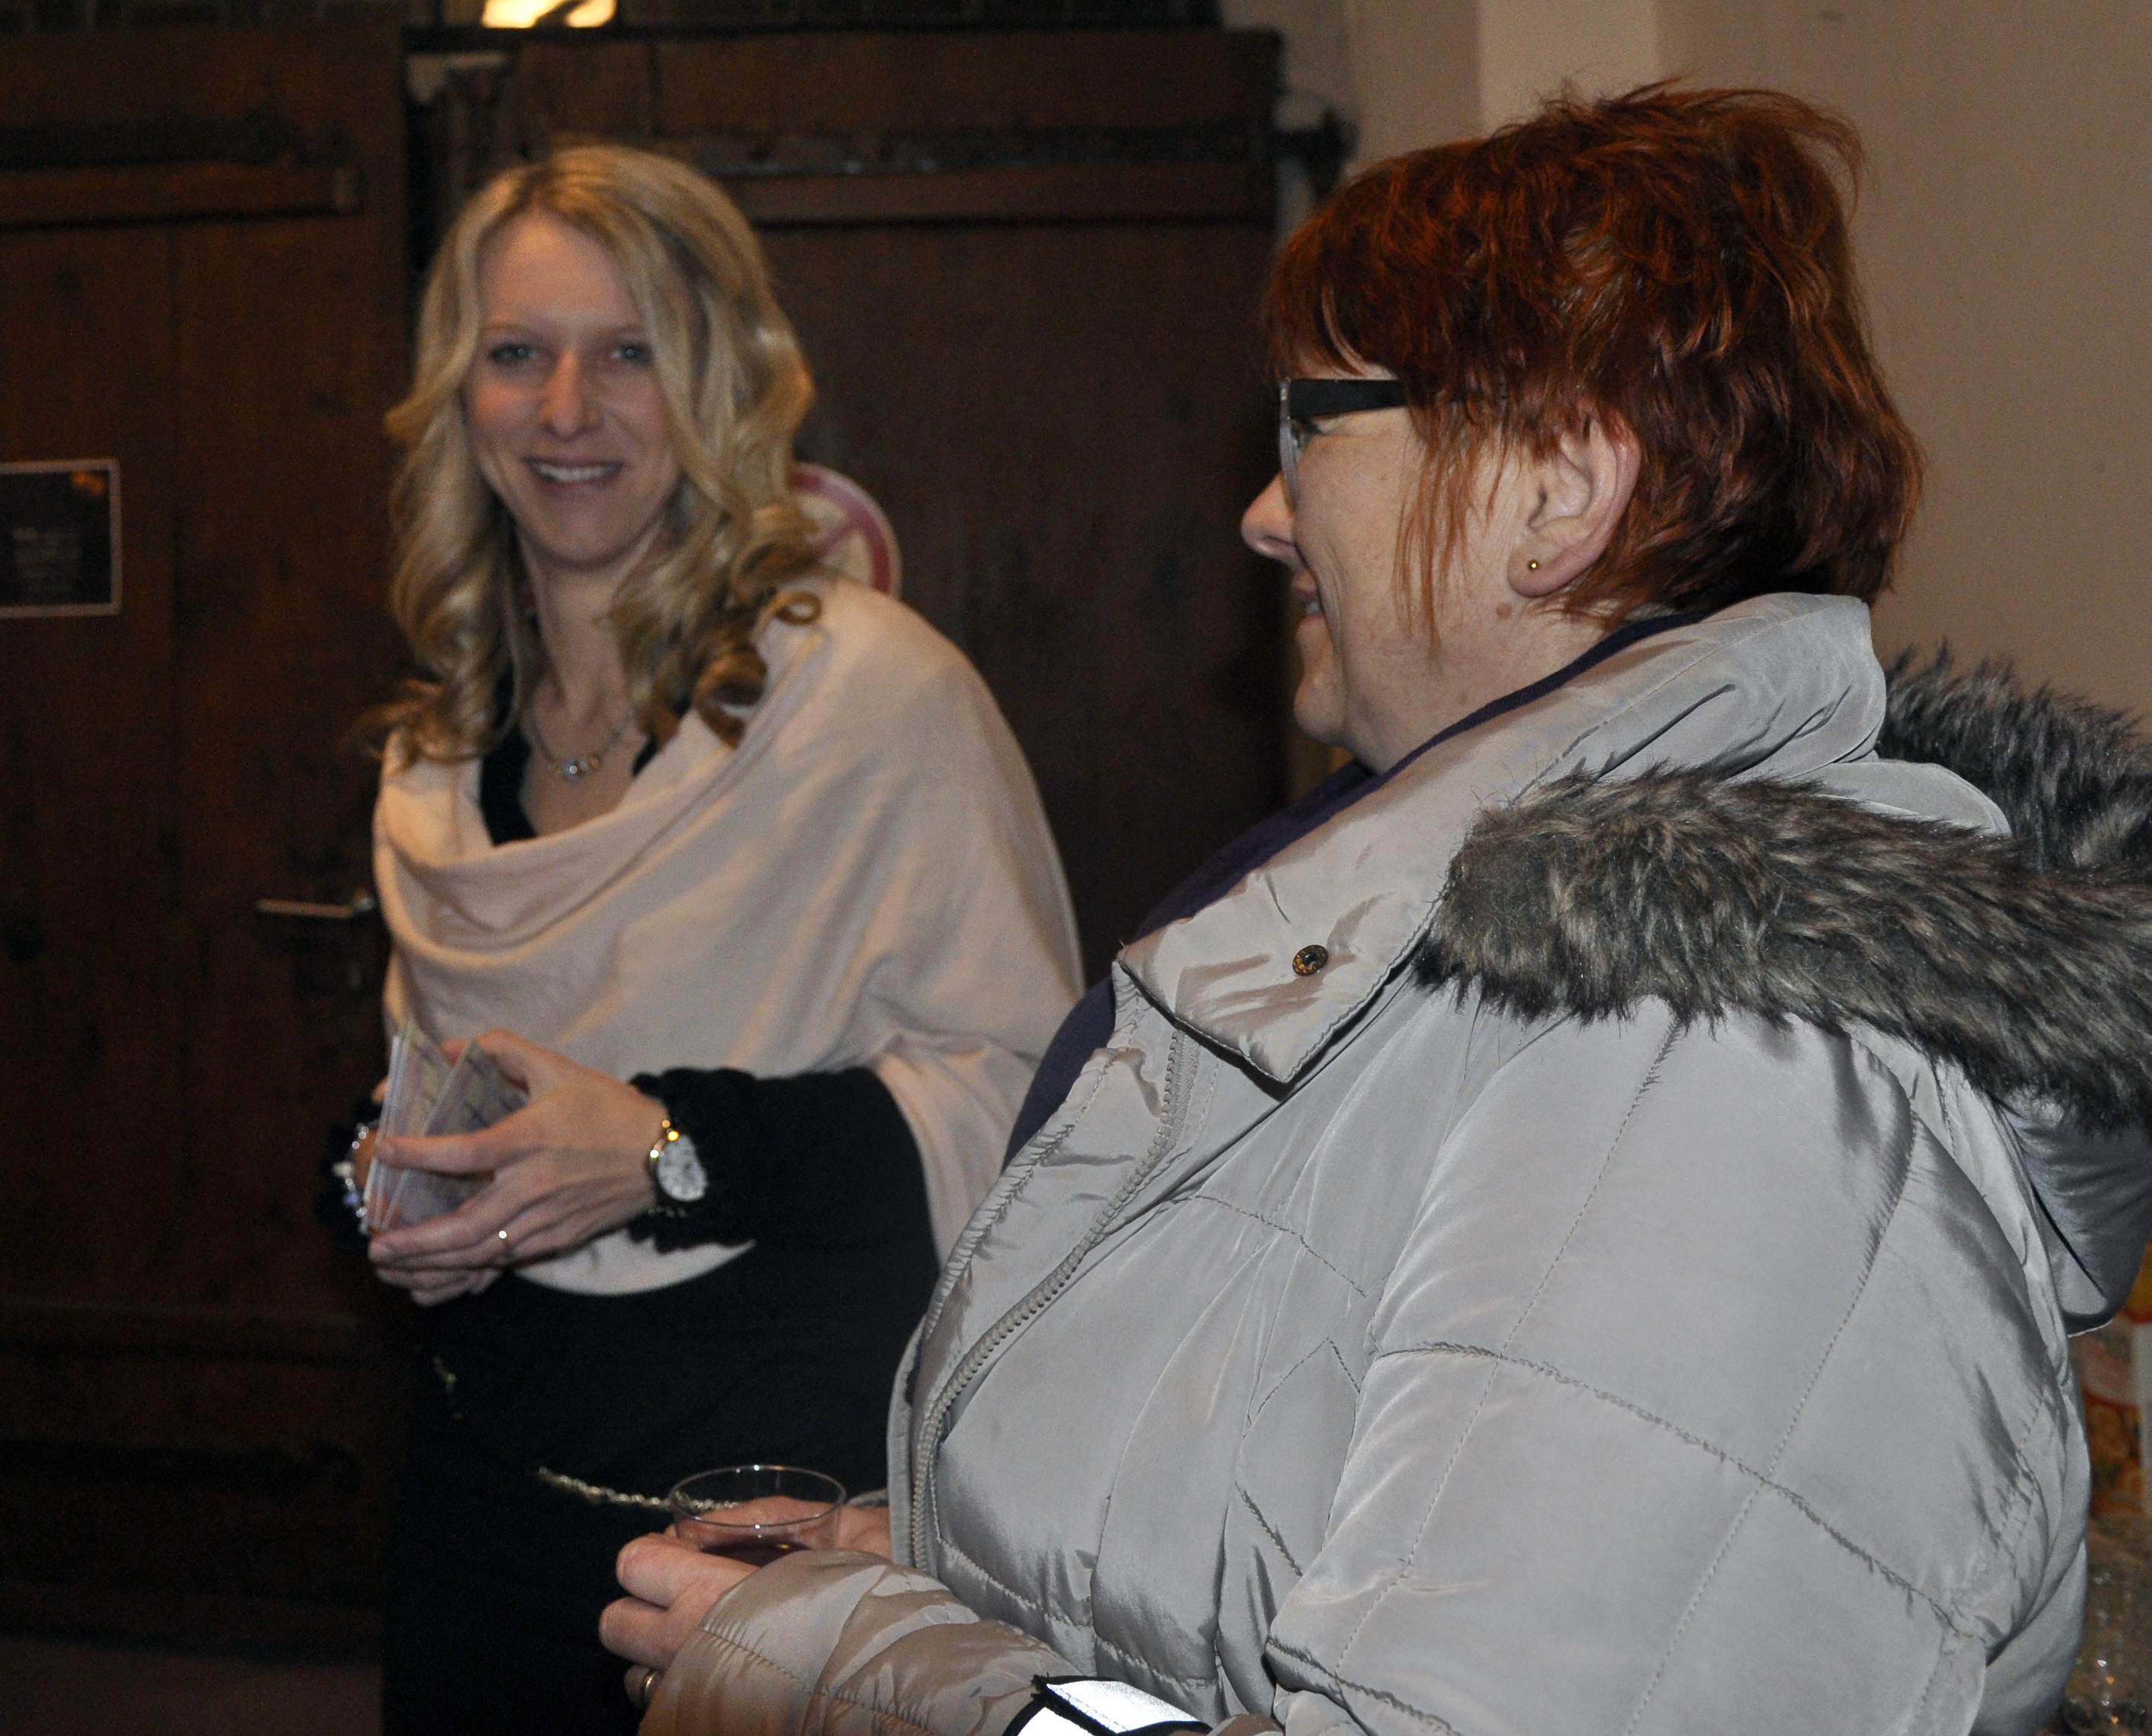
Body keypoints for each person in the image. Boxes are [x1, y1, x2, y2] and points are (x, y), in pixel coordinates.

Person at [599, 85, 2152, 1734]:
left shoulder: (1721, 1071)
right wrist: (960, 1567)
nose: (1264, 513)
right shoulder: (1487, 960)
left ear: (1558, 492)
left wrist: (848, 1671)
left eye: (1317, 425)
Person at [342, 143, 1082, 1736]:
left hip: (764, 1520)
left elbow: (1021, 1099)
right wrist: (396, 1178)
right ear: (458, 391)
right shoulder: (437, 749)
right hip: (485, 1482)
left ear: (719, 383)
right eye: (518, 353)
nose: (567, 411)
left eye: (629, 353)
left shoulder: (870, 694)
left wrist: (674, 1149)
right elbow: (449, 1072)